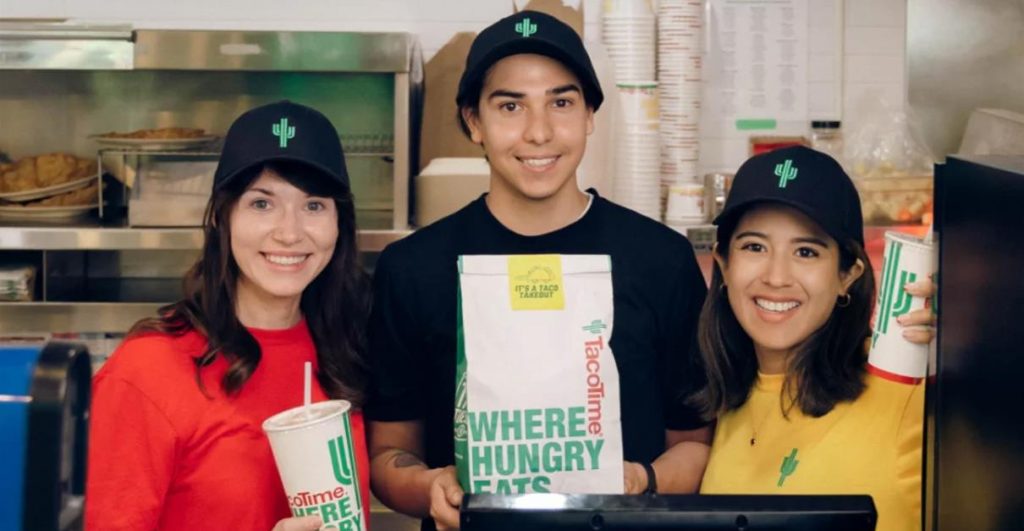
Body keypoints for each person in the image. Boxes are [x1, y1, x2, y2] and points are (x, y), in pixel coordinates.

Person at [365, 10, 711, 531]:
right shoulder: (413, 269)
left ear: (591, 115)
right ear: (473, 122)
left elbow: (693, 444)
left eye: (562, 102)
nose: (539, 132)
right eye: (510, 106)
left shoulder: (660, 259)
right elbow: (390, 453)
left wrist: (641, 480)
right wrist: (429, 487)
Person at [84, 101, 372, 531]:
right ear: (222, 217)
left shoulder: (343, 348)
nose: (290, 232)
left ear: (338, 224)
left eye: (314, 206)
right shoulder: (146, 373)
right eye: (261, 203)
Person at [694, 145, 934, 531]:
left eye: (806, 252)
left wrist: (978, 345)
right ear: (724, 264)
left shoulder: (907, 395)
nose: (776, 277)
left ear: (847, 275)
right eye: (754, 247)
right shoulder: (730, 399)